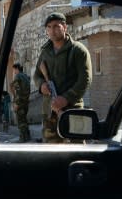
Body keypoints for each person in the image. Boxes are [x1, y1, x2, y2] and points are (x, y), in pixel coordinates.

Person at [33, 12, 92, 143]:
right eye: (48, 27)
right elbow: (37, 75)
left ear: (64, 27)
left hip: (73, 109)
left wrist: (66, 99)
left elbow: (85, 80)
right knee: (52, 156)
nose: (52, 31)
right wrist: (41, 85)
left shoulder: (78, 50)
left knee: (77, 152)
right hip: (50, 111)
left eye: (55, 26)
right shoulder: (45, 52)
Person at [11, 63, 31, 142]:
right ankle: (27, 136)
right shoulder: (26, 76)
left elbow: (18, 91)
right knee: (24, 119)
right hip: (26, 101)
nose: (14, 72)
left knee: (20, 120)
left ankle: (22, 138)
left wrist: (16, 103)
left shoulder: (18, 76)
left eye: (14, 70)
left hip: (20, 102)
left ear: (16, 69)